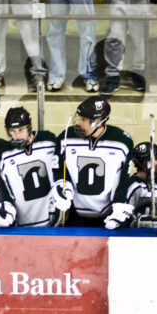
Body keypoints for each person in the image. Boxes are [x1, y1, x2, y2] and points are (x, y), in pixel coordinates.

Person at [57, 96, 133, 227]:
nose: (79, 123)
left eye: (84, 120)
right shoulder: (66, 138)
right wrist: (62, 187)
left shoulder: (122, 142)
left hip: (107, 215)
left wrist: (119, 207)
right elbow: (59, 169)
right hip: (75, 215)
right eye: (79, 118)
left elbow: (122, 180)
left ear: (98, 121)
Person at [0, 108, 68, 229]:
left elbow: (60, 170)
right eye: (12, 131)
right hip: (23, 223)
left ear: (29, 127)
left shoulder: (48, 140)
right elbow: (3, 186)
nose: (17, 136)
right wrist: (6, 206)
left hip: (53, 218)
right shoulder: (5, 153)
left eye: (21, 130)